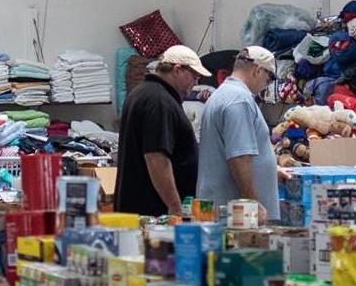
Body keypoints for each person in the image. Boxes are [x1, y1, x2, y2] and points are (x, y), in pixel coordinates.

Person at [115, 44, 203, 216]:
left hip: (142, 207)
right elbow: (156, 157)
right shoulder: (159, 101)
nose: (195, 83)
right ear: (177, 70)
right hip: (154, 211)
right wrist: (175, 207)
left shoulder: (143, 92)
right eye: (194, 76)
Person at [197, 46, 280, 219]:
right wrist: (252, 204)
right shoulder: (239, 100)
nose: (267, 84)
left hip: (220, 209)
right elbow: (239, 157)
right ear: (258, 70)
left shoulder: (221, 95)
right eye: (269, 77)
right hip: (236, 216)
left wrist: (271, 169)